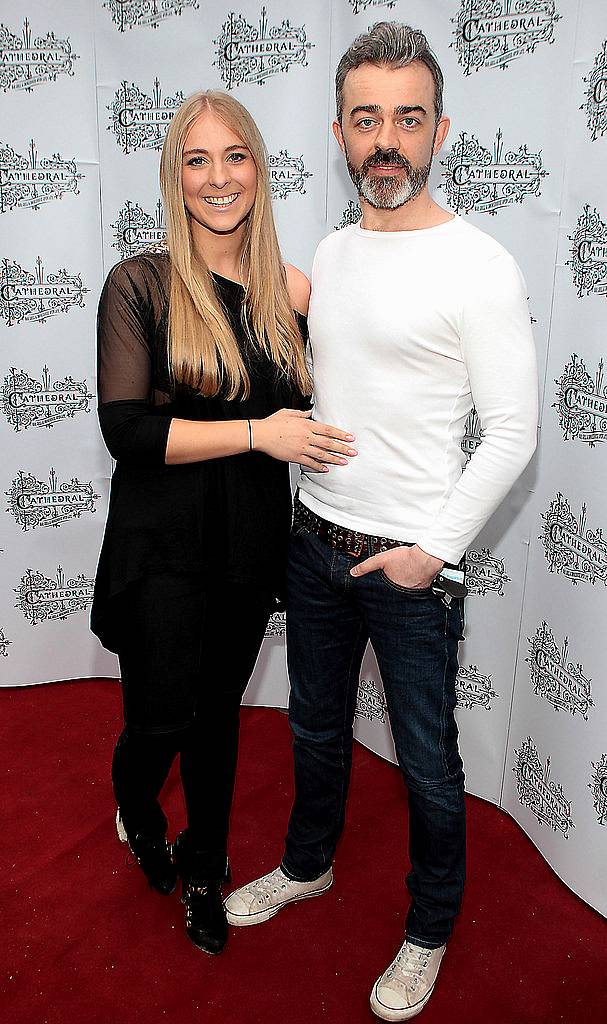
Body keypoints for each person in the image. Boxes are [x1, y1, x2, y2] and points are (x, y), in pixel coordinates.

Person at [225, 22, 538, 1019]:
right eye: (367, 120)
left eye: (407, 117)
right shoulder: (331, 248)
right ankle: (307, 864)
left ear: (439, 129)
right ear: (339, 132)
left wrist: (430, 554)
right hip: (313, 541)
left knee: (428, 763)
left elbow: (513, 431)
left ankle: (429, 926)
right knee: (314, 729)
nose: (386, 139)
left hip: (408, 568)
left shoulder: (478, 264)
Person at [91, 90, 356, 956]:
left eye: (233, 156)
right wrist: (258, 432)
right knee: (159, 720)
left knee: (216, 721)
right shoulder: (140, 283)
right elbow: (127, 431)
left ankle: (206, 866)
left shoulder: (291, 290)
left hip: (246, 544)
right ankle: (135, 805)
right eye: (197, 160)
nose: (217, 177)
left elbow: (326, 402)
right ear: (175, 176)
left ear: (259, 169)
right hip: (161, 544)